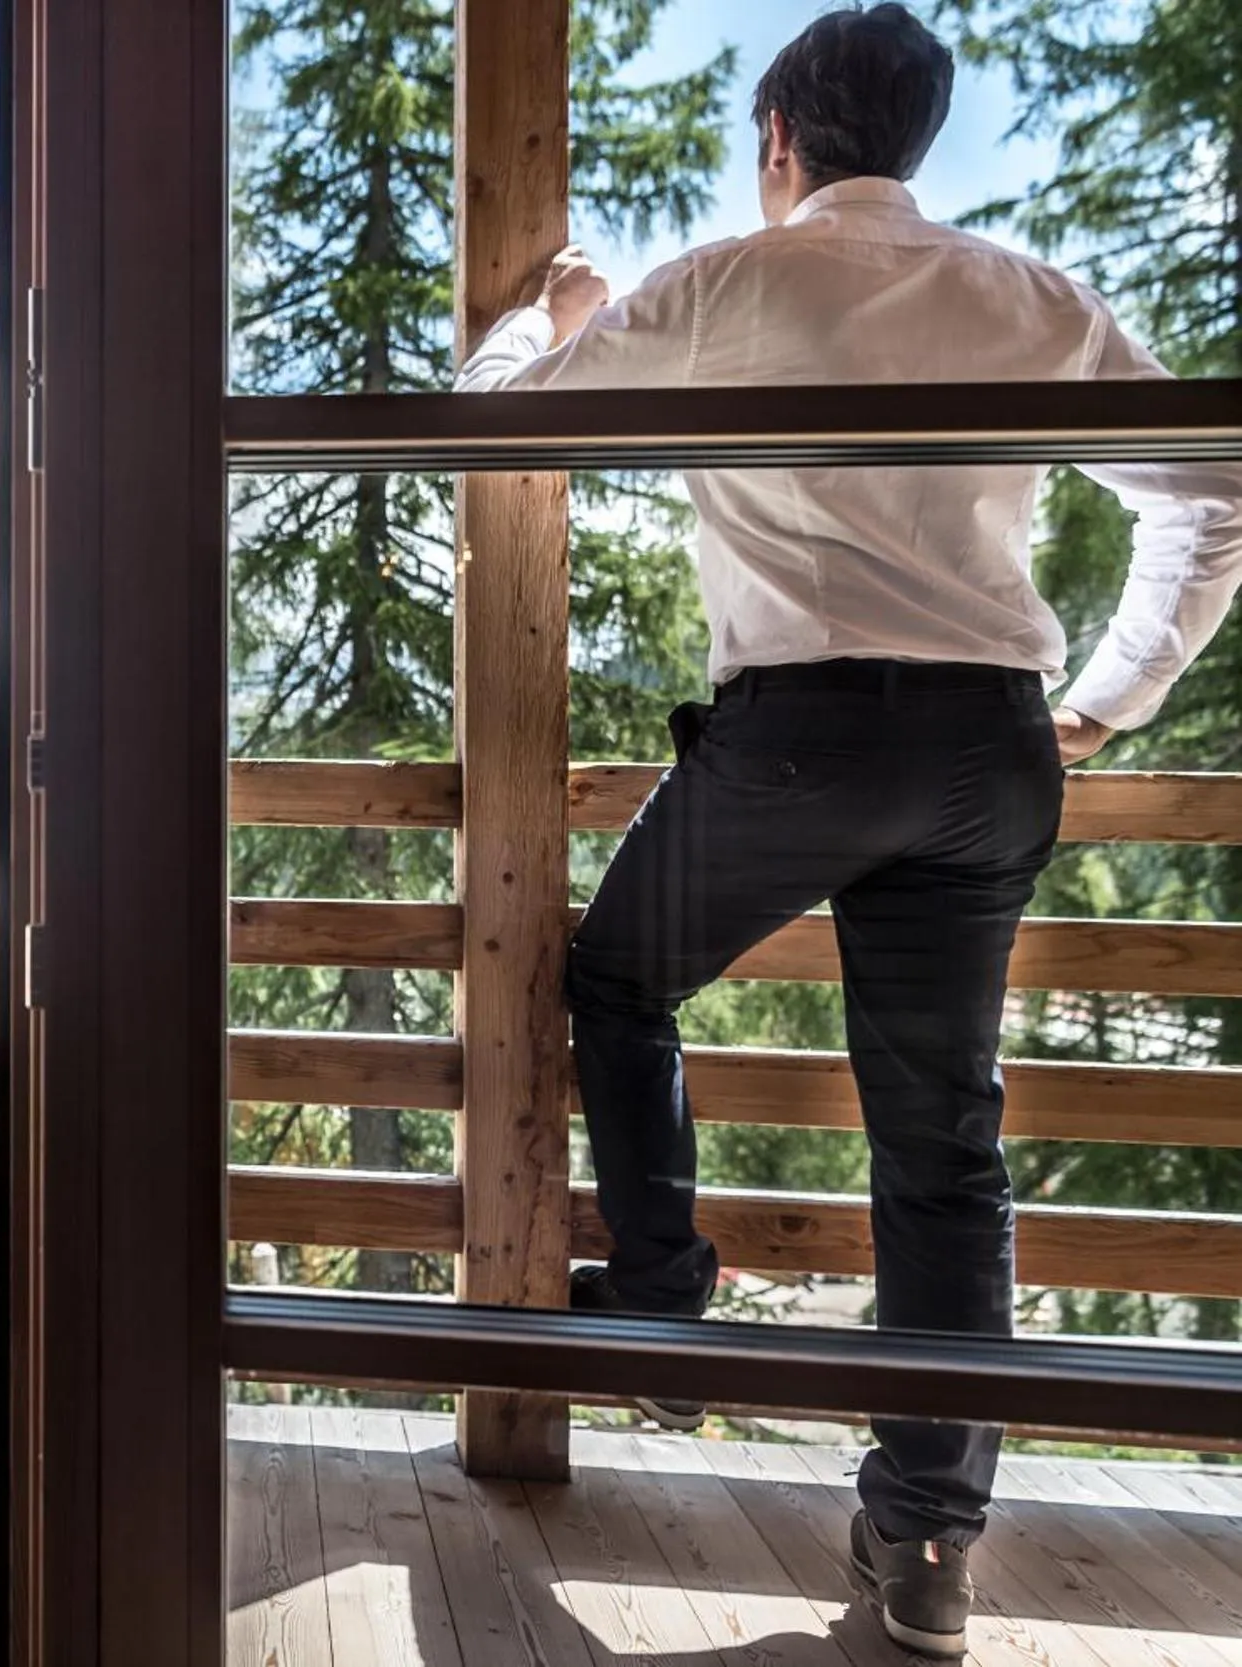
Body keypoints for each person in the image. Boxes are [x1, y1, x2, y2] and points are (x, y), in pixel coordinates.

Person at [455, 3, 1242, 1657]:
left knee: (617, 980)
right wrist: (1107, 698)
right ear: (918, 139)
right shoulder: (1030, 297)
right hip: (989, 750)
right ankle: (928, 1539)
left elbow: (491, 426)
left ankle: (664, 1291)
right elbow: (1214, 488)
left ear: (781, 142)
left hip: (803, 742)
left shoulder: (727, 286)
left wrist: (558, 316)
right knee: (946, 1143)